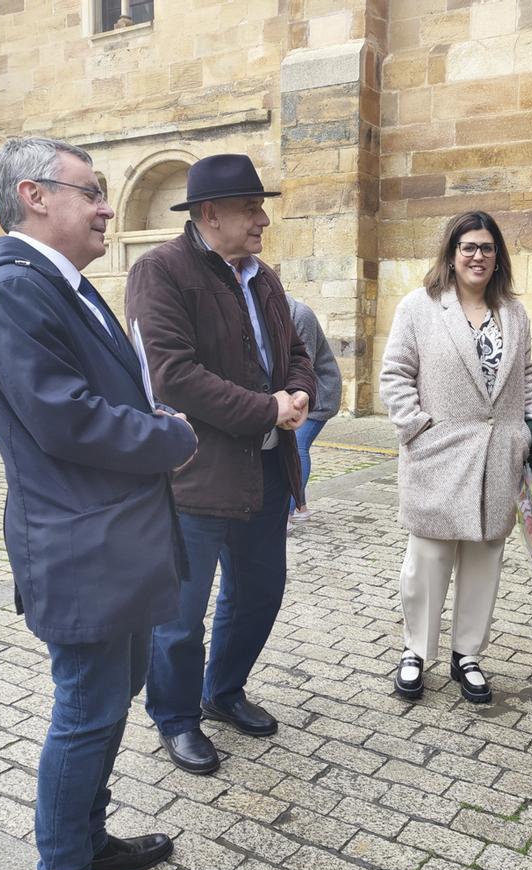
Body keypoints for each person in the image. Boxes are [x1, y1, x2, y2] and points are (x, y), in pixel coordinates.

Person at [0, 136, 196, 870]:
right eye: (92, 190)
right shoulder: (13, 289)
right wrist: (170, 436)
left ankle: (88, 841)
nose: (108, 205)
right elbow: (66, 419)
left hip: (115, 538)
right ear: (35, 197)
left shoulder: (57, 281)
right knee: (86, 711)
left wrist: (151, 415)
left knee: (108, 703)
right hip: (84, 545)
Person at [125, 154, 316, 775]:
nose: (263, 219)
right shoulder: (161, 271)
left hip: (266, 469)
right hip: (195, 475)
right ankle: (176, 719)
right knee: (181, 614)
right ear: (210, 214)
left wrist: (300, 394)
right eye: (250, 209)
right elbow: (173, 376)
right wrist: (268, 408)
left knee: (260, 592)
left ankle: (222, 691)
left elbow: (295, 352)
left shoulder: (266, 278)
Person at [379, 210, 532, 704]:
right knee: (427, 560)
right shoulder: (420, 306)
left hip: (499, 457)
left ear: (499, 258)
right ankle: (415, 651)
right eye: (468, 247)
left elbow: (528, 376)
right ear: (451, 255)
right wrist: (417, 430)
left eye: (487, 248)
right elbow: (395, 375)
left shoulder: (513, 312)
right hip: (438, 453)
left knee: (484, 560)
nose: (478, 256)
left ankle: (467, 655)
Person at [286, 294, 343, 529]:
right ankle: (301, 507)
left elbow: (303, 364)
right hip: (294, 395)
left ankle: (286, 513)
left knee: (297, 447)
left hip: (319, 394)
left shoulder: (300, 314)